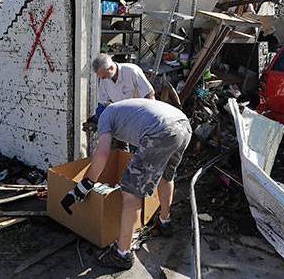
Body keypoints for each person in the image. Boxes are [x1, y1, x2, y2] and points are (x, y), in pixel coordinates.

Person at [61, 98, 192, 270]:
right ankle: (164, 221)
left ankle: (122, 254)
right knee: (167, 176)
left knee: (131, 191)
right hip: (183, 126)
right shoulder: (123, 110)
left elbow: (102, 153)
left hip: (161, 132)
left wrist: (86, 183)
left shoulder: (104, 118)